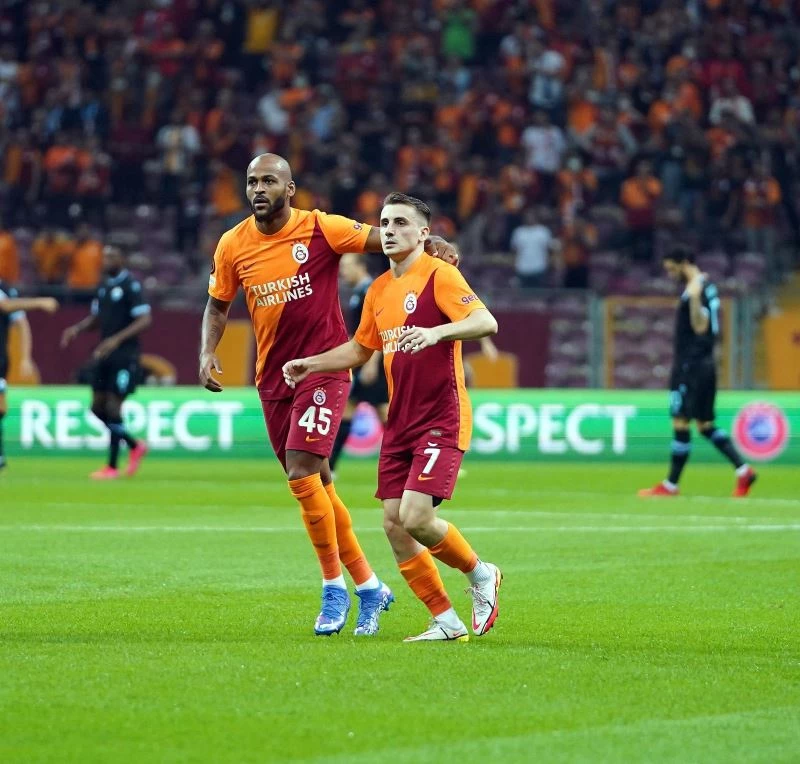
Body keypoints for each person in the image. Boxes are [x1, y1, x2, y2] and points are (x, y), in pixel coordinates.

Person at [199, 154, 458, 637]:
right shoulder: (233, 243)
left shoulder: (322, 228)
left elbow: (385, 237)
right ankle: (369, 586)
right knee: (316, 483)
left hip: (325, 369)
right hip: (273, 377)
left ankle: (333, 587)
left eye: (269, 181)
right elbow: (217, 305)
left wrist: (430, 242)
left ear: (289, 189)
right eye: (252, 181)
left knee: (301, 471)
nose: (259, 189)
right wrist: (206, 351)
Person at [283, 192, 502, 643]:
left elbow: (485, 322)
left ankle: (481, 573)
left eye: (401, 223)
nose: (389, 230)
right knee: (393, 524)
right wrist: (312, 364)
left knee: (416, 517)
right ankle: (446, 621)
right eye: (384, 223)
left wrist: (437, 332)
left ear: (423, 233)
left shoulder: (439, 274)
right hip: (400, 421)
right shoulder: (379, 289)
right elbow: (360, 349)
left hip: (441, 414)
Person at [639, 247, 756, 498]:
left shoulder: (697, 289)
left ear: (684, 263)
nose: (670, 274)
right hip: (705, 364)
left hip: (690, 366)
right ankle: (743, 470)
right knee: (704, 425)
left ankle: (671, 485)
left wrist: (692, 298)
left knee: (680, 421)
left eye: (672, 269)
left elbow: (701, 327)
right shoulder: (707, 287)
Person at [61, 246, 151, 480]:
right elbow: (97, 318)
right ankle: (134, 445)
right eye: (105, 257)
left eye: (111, 256)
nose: (106, 261)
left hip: (125, 356)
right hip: (105, 355)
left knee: (113, 407)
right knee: (96, 408)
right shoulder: (104, 286)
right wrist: (77, 329)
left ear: (122, 259)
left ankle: (112, 466)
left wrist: (116, 339)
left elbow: (144, 319)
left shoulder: (131, 286)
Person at [328, 253, 389, 475]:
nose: (342, 271)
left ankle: (417, 457)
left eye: (346, 266)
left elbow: (381, 330)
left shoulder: (372, 291)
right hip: (363, 362)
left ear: (361, 266)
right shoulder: (359, 293)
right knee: (354, 410)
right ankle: (330, 467)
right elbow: (358, 335)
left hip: (373, 364)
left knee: (386, 415)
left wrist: (371, 364)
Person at [0, 283, 58, 471]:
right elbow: (5, 306)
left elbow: (21, 323)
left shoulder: (6, 290)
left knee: (1, 409)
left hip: (1, 359)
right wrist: (40, 302)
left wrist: (25, 357)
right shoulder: (7, 298)